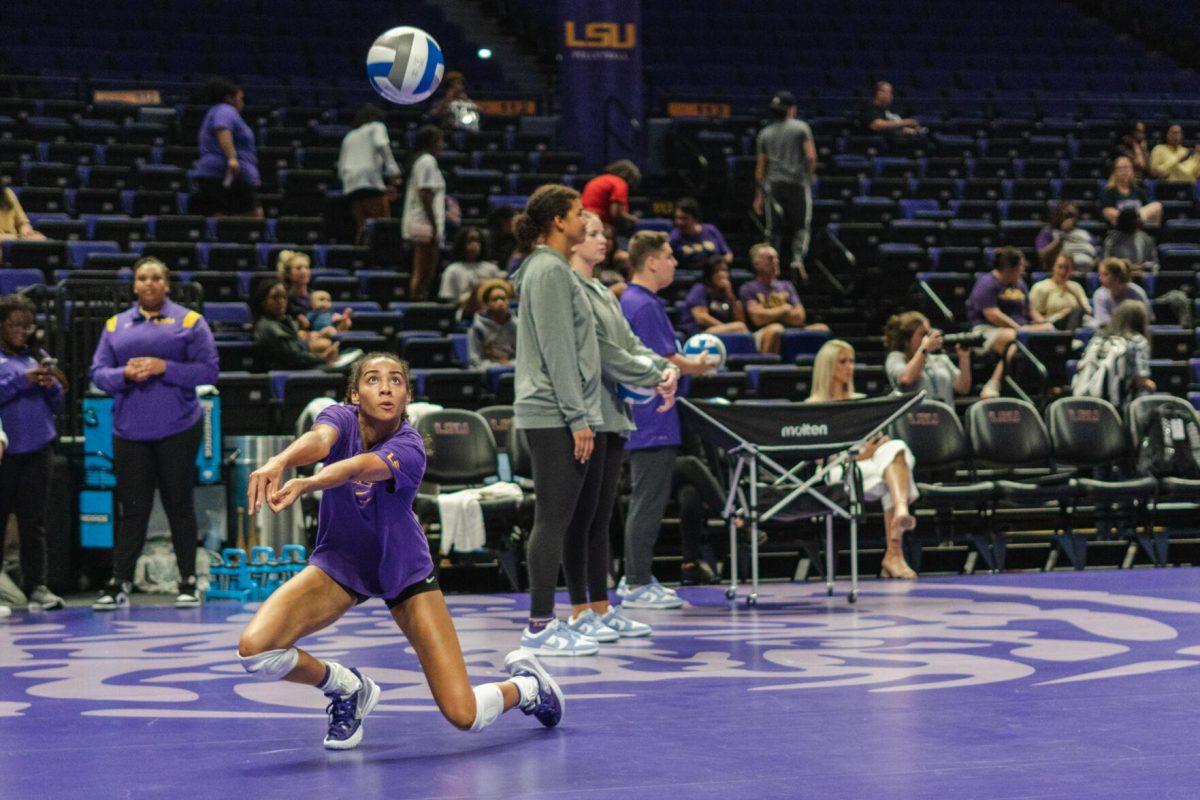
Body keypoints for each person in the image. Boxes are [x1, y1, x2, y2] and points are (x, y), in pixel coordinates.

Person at [236, 353, 563, 750]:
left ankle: (528, 687)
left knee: (465, 714)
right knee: (257, 651)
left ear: (407, 395)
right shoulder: (339, 418)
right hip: (341, 566)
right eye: (373, 380)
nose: (386, 387)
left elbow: (357, 467)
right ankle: (347, 688)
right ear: (355, 394)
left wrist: (308, 484)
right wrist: (280, 460)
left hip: (403, 572)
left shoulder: (410, 447)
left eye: (396, 380)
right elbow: (319, 441)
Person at [565, 209, 677, 638]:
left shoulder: (604, 292)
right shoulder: (573, 290)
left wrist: (662, 369)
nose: (603, 240)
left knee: (599, 517)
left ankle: (600, 605)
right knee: (582, 517)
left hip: (613, 414)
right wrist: (657, 373)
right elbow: (605, 353)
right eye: (592, 233)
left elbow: (628, 346)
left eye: (601, 233)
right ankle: (573, 612)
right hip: (587, 412)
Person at [89, 257, 219, 610]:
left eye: (156, 277)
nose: (149, 283)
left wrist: (165, 367)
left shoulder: (190, 321)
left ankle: (188, 581)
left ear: (166, 284)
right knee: (133, 509)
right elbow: (98, 373)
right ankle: (119, 583)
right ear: (134, 285)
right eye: (143, 278)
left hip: (179, 427)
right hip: (129, 431)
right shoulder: (115, 325)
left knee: (180, 505)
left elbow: (209, 370)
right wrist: (124, 376)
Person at [510, 184, 606, 655]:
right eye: (577, 212)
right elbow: (557, 350)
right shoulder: (548, 270)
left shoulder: (551, 269)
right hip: (552, 412)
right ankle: (539, 625)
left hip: (556, 410)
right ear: (558, 223)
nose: (585, 219)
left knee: (559, 518)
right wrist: (578, 416)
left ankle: (546, 619)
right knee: (552, 519)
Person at [619, 231, 715, 609]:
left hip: (647, 415)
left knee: (649, 499)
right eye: (670, 256)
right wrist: (702, 367)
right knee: (647, 500)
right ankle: (637, 581)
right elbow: (665, 360)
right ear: (652, 261)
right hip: (650, 415)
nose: (675, 263)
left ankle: (638, 577)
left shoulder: (636, 301)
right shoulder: (643, 305)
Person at [808, 339, 920, 580]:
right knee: (895, 474)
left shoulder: (862, 400)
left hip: (872, 466)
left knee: (895, 447)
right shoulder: (813, 407)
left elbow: (877, 439)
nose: (850, 367)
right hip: (838, 471)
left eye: (852, 361)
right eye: (843, 362)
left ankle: (896, 541)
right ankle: (894, 552)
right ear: (827, 367)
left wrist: (878, 446)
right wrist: (858, 456)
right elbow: (818, 458)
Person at [0, 294, 65, 610]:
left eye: (28, 326)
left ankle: (37, 585)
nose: (23, 331)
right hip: (4, 453)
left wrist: (50, 384)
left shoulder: (36, 358)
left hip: (38, 450)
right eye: (15, 325)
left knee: (34, 523)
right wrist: (20, 381)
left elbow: (57, 404)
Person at [966, 246, 1053, 399]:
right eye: (1020, 267)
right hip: (986, 331)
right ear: (1009, 268)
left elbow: (1029, 311)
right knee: (1014, 340)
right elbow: (992, 314)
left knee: (1050, 331)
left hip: (1019, 329)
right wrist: (1020, 329)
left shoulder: (1020, 284)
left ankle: (1048, 386)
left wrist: (1044, 323)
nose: (1023, 270)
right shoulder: (986, 283)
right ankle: (993, 383)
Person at [754, 91, 817, 276]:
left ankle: (771, 265)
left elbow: (760, 169)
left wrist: (758, 195)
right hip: (797, 184)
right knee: (801, 226)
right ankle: (797, 260)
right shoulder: (801, 128)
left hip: (774, 186)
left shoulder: (764, 133)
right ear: (792, 109)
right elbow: (811, 156)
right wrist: (807, 177)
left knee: (773, 228)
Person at [738, 243, 830, 355]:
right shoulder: (748, 288)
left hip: (792, 328)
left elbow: (800, 316)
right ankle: (768, 367)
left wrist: (770, 314)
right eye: (770, 259)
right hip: (763, 332)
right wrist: (785, 309)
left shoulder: (787, 286)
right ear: (757, 264)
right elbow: (758, 319)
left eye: (777, 258)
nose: (776, 262)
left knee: (822, 329)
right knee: (776, 329)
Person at [191, 78, 262, 218]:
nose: (242, 102)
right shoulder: (225, 110)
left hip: (218, 173)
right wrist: (232, 159)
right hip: (226, 172)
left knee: (222, 218)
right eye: (240, 98)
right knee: (253, 217)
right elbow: (222, 129)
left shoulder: (216, 111)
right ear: (229, 98)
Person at [1072, 300, 1155, 409]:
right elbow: (1141, 380)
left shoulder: (1098, 338)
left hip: (1086, 400)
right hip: (1117, 405)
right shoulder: (1138, 341)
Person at [338, 104, 402, 239]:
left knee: (363, 229)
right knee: (382, 229)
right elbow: (381, 145)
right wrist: (394, 172)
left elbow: (341, 166)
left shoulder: (349, 136)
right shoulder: (377, 126)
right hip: (369, 181)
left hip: (350, 183)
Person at [883, 311, 972, 405]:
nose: (928, 339)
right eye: (923, 334)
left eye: (928, 334)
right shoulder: (896, 357)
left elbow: (963, 389)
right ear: (906, 339)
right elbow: (906, 379)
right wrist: (924, 348)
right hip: (914, 418)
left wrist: (964, 358)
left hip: (943, 416)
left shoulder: (940, 359)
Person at [253, 279, 343, 370]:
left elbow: (299, 348)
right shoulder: (268, 326)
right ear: (263, 302)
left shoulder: (284, 320)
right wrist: (323, 357)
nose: (281, 301)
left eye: (284, 297)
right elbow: (296, 357)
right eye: (275, 297)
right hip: (290, 373)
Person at [402, 126, 447, 300]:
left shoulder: (423, 161)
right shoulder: (427, 161)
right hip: (424, 222)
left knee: (425, 272)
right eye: (440, 140)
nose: (442, 145)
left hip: (424, 221)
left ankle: (420, 301)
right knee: (423, 271)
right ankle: (418, 304)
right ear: (432, 142)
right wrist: (434, 225)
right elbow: (425, 193)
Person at [278, 250, 347, 358]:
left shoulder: (318, 296)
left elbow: (326, 319)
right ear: (288, 274)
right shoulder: (284, 299)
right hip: (301, 342)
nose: (304, 271)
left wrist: (342, 323)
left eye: (306, 267)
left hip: (324, 335)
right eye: (299, 268)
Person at [437, 226, 505, 313]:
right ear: (462, 244)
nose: (475, 245)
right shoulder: (453, 270)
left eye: (478, 241)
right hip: (465, 313)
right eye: (471, 241)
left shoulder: (491, 269)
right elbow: (449, 300)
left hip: (491, 312)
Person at [681, 258, 751, 338]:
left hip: (718, 333)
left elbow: (741, 320)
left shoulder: (727, 292)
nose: (721, 274)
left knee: (741, 328)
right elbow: (701, 317)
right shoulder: (700, 289)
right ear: (709, 274)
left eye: (724, 270)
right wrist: (727, 329)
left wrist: (730, 295)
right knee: (739, 328)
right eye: (717, 271)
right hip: (699, 334)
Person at [1029, 254, 1092, 329]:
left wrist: (1074, 294)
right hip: (1051, 323)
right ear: (1053, 267)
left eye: (1067, 268)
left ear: (1072, 270)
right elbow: (1033, 312)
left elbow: (1088, 312)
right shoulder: (1040, 287)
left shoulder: (1076, 287)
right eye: (1060, 267)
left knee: (1091, 322)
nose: (1063, 271)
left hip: (1077, 322)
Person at [669, 197, 732, 271]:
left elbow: (729, 255)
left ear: (695, 217)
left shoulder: (711, 230)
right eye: (677, 218)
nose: (679, 222)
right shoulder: (674, 237)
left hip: (712, 274)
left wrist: (718, 262)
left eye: (684, 218)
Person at [1099, 155, 1162, 228]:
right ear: (1114, 172)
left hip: (1140, 230)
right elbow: (1108, 213)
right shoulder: (1108, 192)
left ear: (1132, 171)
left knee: (1157, 205)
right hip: (1119, 231)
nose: (1124, 172)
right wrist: (1130, 217)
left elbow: (1149, 210)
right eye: (1121, 169)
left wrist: (1137, 216)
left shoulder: (1139, 191)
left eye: (1127, 168)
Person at [467, 279, 516, 368]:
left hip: (514, 369)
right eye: (495, 299)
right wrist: (497, 367)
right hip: (487, 371)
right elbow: (475, 359)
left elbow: (524, 356)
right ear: (486, 304)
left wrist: (511, 365)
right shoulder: (477, 328)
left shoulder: (517, 325)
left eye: (503, 298)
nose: (500, 302)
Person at [580, 160, 641, 233]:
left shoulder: (599, 179)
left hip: (584, 220)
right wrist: (631, 218)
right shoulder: (620, 183)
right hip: (599, 222)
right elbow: (616, 213)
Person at [1035, 201, 1096, 271]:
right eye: (1067, 216)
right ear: (1059, 215)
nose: (1070, 220)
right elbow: (1042, 255)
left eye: (1073, 216)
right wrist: (1059, 239)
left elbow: (1095, 254)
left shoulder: (1083, 233)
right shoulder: (1048, 232)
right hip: (1059, 272)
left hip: (1084, 272)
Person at [1092, 257, 1152, 326]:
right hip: (1109, 333)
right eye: (1100, 274)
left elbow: (1147, 317)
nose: (1100, 278)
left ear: (1117, 276)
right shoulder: (1099, 294)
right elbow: (1102, 321)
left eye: (1105, 274)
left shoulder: (1136, 292)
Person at [1103, 208, 1158, 274]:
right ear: (1127, 221)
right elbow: (1107, 263)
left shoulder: (1145, 238)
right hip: (1119, 276)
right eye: (1136, 218)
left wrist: (1143, 267)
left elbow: (1154, 263)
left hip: (1141, 275)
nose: (1140, 220)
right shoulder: (1112, 240)